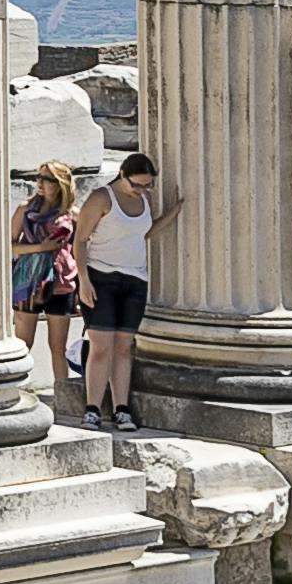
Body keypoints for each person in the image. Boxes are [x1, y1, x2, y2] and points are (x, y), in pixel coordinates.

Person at [81, 150, 164, 422]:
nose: (141, 190)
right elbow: (79, 240)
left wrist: (173, 213)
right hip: (101, 277)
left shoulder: (145, 199)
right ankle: (92, 409)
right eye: (136, 184)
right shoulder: (101, 197)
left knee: (124, 348)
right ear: (122, 175)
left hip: (135, 280)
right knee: (101, 347)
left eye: (147, 185)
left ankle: (122, 409)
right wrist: (83, 280)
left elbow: (143, 233)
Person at [10, 163, 88, 400]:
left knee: (58, 346)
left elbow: (81, 250)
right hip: (28, 281)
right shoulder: (25, 209)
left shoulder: (72, 214)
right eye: (39, 177)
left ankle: (63, 396)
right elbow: (10, 245)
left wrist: (83, 286)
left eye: (47, 178)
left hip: (62, 281)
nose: (40, 183)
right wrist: (40, 247)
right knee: (24, 343)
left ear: (60, 183)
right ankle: (14, 393)